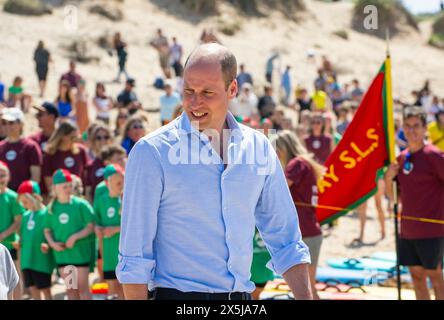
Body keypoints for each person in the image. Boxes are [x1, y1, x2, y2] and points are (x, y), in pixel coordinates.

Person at [117, 43, 312, 300]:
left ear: (232, 89)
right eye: (188, 91)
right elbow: (134, 256)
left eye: (207, 92)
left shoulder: (259, 147)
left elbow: (286, 238)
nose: (195, 102)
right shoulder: (151, 152)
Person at [385, 106, 444, 300]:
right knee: (416, 278)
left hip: (433, 230)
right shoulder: (401, 159)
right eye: (407, 126)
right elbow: (393, 197)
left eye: (416, 126)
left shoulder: (434, 155)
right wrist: (388, 177)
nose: (412, 130)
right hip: (408, 229)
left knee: (436, 277)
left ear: (425, 128)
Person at [273, 130, 324, 300]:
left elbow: (279, 189)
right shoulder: (305, 163)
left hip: (306, 232)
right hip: (310, 229)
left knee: (307, 291)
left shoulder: (296, 164)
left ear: (284, 148)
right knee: (308, 290)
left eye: (277, 149)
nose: (276, 154)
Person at [43, 169, 95, 300]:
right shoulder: (51, 208)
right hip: (64, 256)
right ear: (55, 188)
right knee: (71, 290)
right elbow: (47, 230)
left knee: (83, 290)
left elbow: (91, 226)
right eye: (64, 186)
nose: (68, 189)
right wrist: (53, 243)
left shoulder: (81, 204)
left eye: (70, 186)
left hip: (80, 255)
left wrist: (75, 237)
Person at [16, 180, 55, 300]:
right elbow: (22, 235)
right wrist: (19, 242)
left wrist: (47, 244)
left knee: (45, 290)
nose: (24, 205)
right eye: (22, 202)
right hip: (27, 260)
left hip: (41, 261)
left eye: (26, 202)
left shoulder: (46, 213)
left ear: (35, 198)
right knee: (33, 290)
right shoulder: (26, 216)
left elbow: (52, 233)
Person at [94, 164, 124, 299]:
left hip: (125, 252)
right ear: (107, 183)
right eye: (117, 181)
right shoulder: (101, 200)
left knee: (125, 287)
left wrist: (116, 229)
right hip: (109, 251)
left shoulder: (128, 199)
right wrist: (98, 229)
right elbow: (96, 223)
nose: (121, 184)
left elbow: (136, 225)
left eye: (122, 179)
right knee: (112, 287)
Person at [0, 108, 42, 191]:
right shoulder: (1, 146)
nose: (7, 126)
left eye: (11, 123)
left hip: (23, 198)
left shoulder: (30, 147)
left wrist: (25, 196)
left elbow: (35, 178)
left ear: (21, 124)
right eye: (4, 123)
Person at [0, 161, 25, 300]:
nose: (1, 179)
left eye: (3, 175)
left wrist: (4, 234)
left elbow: (18, 220)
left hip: (9, 243)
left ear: (9, 177)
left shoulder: (12, 197)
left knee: (14, 277)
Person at [42, 122, 90, 193]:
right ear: (63, 136)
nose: (75, 140)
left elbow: (86, 176)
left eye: (77, 137)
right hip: (59, 197)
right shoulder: (50, 155)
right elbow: (49, 182)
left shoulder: (81, 151)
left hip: (78, 196)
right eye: (72, 137)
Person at [85, 125, 113, 202]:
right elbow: (88, 192)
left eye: (106, 137)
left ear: (111, 140)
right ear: (93, 142)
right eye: (98, 138)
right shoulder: (90, 165)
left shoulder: (119, 161)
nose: (103, 140)